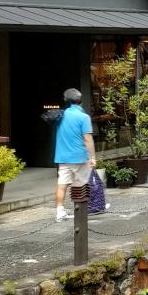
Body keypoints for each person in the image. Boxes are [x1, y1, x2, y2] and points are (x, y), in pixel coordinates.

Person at [53, 88, 95, 222]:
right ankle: (85, 209)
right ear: (80, 101)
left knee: (62, 185)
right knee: (83, 183)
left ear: (66, 101)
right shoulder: (84, 117)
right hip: (79, 157)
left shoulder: (60, 115)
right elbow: (87, 138)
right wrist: (92, 157)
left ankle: (60, 212)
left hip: (62, 157)